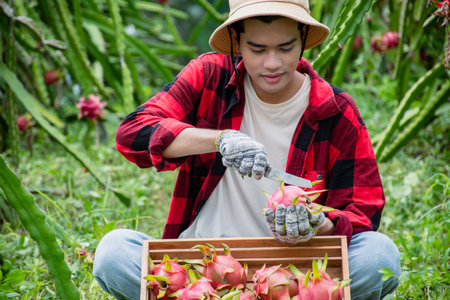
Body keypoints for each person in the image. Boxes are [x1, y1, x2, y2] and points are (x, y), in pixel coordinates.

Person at [93, 1, 401, 299]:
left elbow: (364, 212)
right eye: (257, 49)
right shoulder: (209, 75)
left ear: (304, 40)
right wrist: (218, 139)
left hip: (294, 281)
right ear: (237, 41)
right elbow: (132, 133)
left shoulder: (335, 111)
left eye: (285, 48)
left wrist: (319, 222)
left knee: (379, 255)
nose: (272, 63)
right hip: (200, 271)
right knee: (114, 252)